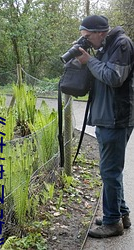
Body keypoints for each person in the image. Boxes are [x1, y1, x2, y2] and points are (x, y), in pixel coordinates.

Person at [76, 15, 134, 238]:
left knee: (109, 171)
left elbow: (113, 77)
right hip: (106, 117)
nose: (87, 41)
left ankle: (112, 223)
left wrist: (89, 61)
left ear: (100, 32)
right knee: (111, 171)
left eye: (88, 37)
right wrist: (86, 60)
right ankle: (121, 214)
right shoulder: (105, 46)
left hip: (116, 118)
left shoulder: (122, 44)